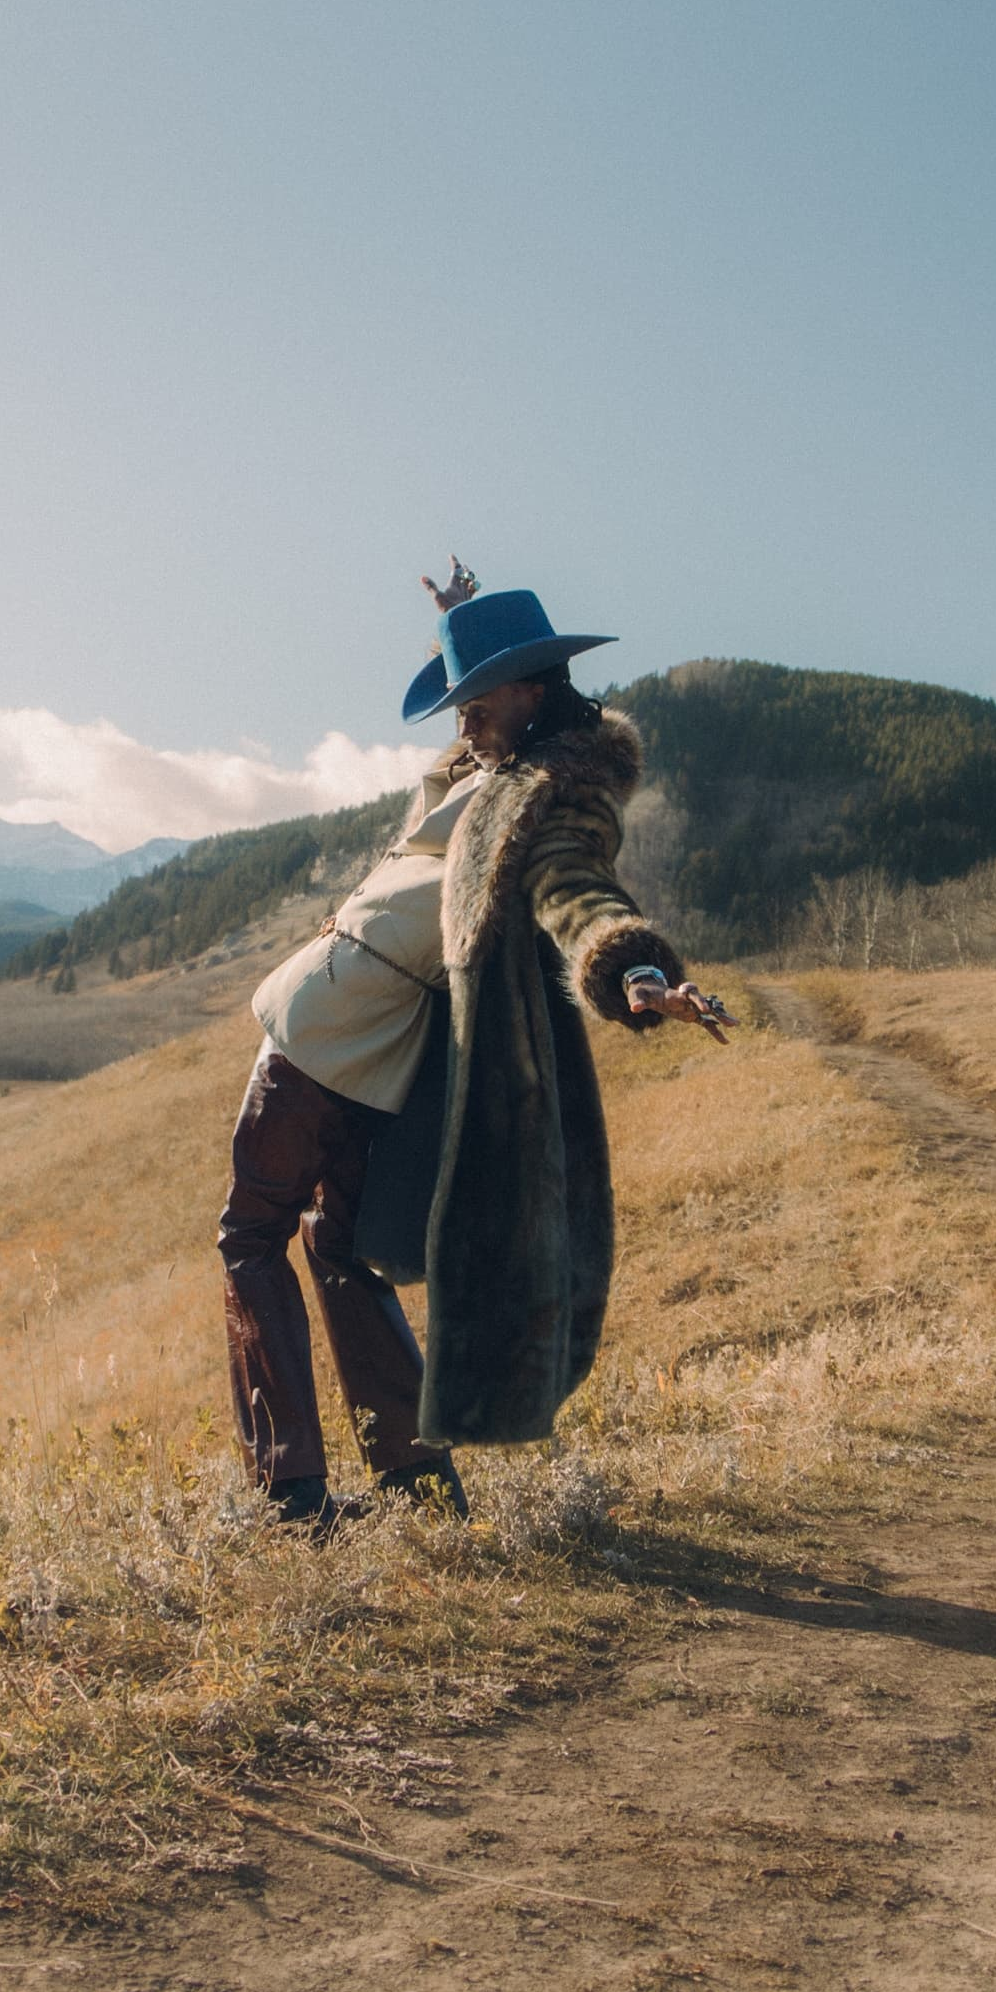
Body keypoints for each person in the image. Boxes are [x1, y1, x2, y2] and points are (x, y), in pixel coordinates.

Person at [216, 562, 730, 1532]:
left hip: (327, 1036)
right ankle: (414, 1487)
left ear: (531, 691)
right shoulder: (492, 777)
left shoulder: (555, 800)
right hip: (370, 1050)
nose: (460, 721)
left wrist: (632, 971)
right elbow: (447, 778)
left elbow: (578, 892)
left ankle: (286, 1494)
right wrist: (460, 632)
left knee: (250, 1237)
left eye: (474, 698)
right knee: (338, 1252)